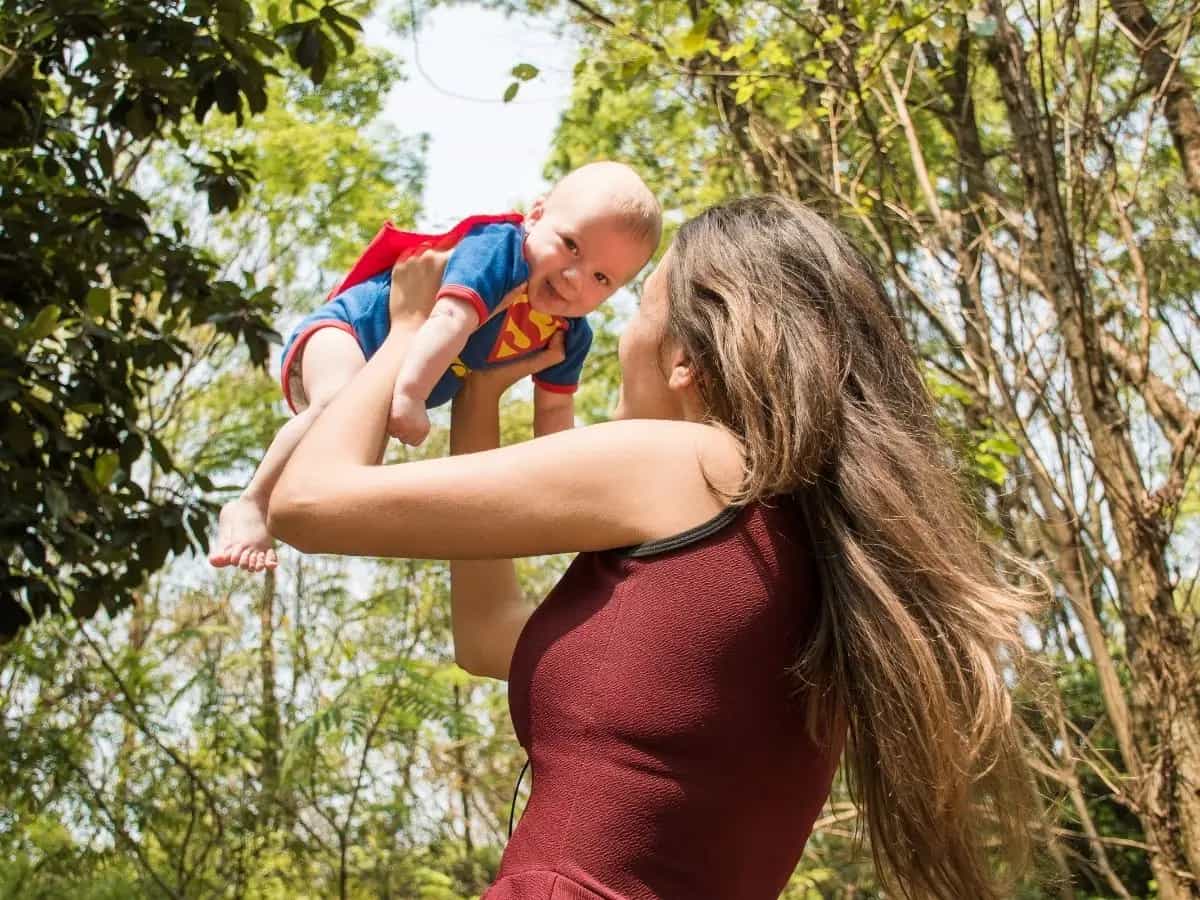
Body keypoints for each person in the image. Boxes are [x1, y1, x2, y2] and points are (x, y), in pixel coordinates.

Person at [267, 195, 1036, 900]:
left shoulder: (690, 464)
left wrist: (406, 329)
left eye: (636, 306)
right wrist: (482, 394)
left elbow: (308, 504)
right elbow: (489, 636)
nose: (617, 330)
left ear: (683, 358)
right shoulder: (803, 543)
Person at [209, 161, 662, 573]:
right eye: (571, 246)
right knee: (335, 402)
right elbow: (449, 318)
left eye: (602, 278)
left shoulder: (568, 334)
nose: (574, 278)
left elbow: (555, 415)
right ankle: (251, 502)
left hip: (391, 374)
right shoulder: (499, 252)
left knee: (351, 462)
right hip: (350, 331)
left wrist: (569, 491)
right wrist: (409, 395)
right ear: (536, 215)